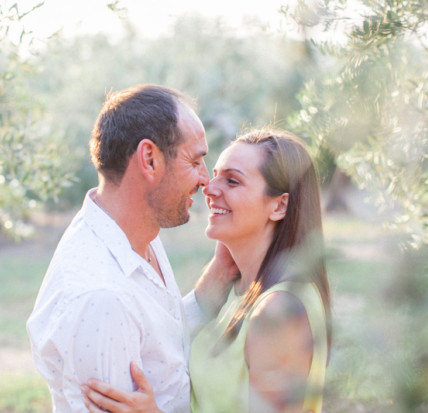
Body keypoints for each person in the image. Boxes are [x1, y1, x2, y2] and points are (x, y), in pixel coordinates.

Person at [82, 129, 332, 413]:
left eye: (232, 181)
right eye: (215, 175)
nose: (209, 188)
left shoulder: (278, 312)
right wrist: (220, 270)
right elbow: (173, 337)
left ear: (279, 206)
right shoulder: (239, 288)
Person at [26, 84, 238, 413]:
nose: (205, 180)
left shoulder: (137, 230)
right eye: (195, 161)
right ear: (149, 159)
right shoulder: (101, 298)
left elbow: (163, 346)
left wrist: (221, 273)